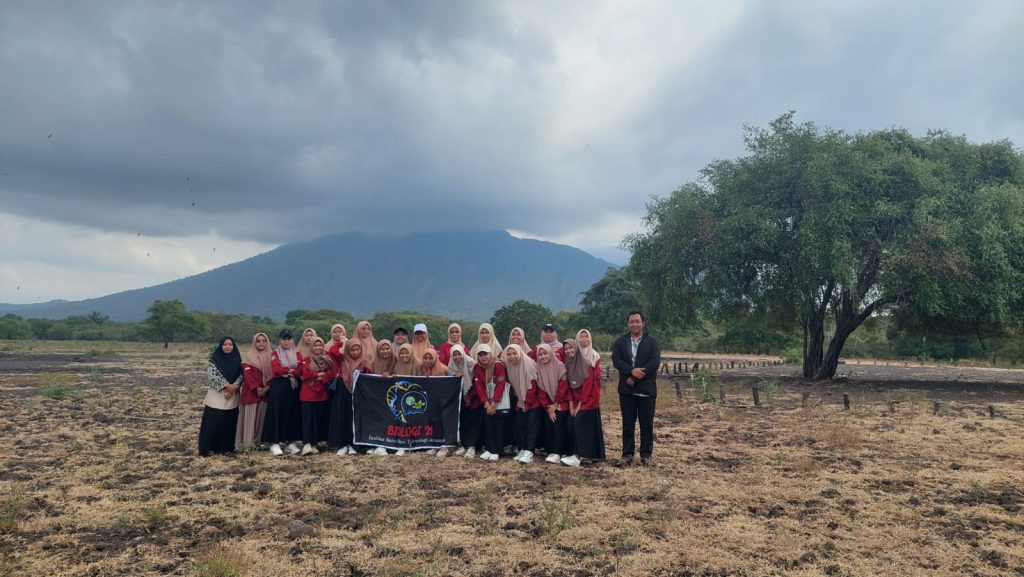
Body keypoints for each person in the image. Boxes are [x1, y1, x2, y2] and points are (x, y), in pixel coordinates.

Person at [611, 311, 661, 466]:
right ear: (628, 324)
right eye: (631, 321)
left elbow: (654, 363)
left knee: (647, 424)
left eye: (637, 321)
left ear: (643, 323)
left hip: (646, 390)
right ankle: (627, 455)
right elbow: (617, 361)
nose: (635, 324)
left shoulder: (652, 342)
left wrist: (637, 376)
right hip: (627, 391)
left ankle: (646, 455)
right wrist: (630, 372)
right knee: (628, 424)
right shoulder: (621, 342)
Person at [560, 334, 605, 467]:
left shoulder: (586, 363)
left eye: (571, 348)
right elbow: (569, 387)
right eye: (566, 349)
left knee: (579, 423)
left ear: (576, 348)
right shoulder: (567, 364)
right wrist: (571, 405)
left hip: (588, 400)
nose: (569, 351)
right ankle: (583, 453)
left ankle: (578, 456)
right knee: (570, 424)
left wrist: (579, 406)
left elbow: (587, 387)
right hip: (574, 400)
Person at [198, 336, 243, 456]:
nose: (228, 347)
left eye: (230, 344)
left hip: (232, 395)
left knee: (229, 422)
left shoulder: (238, 360)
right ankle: (209, 448)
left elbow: (241, 375)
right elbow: (212, 376)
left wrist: (233, 387)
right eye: (225, 344)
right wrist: (226, 386)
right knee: (214, 421)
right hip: (217, 395)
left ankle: (227, 448)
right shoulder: (214, 360)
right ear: (221, 346)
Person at [263, 330, 303, 456]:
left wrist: (290, 372)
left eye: (289, 338)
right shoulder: (275, 353)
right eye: (284, 339)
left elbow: (300, 369)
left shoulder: (297, 354)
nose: (286, 341)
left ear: (292, 340)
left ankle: (289, 442)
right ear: (279, 340)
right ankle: (274, 443)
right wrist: (290, 370)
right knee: (276, 412)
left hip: (292, 387)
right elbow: (276, 368)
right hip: (279, 386)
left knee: (291, 413)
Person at [331, 339, 370, 456]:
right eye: (352, 350)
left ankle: (354, 445)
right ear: (347, 351)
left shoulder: (364, 362)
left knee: (355, 419)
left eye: (357, 349)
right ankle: (343, 445)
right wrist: (341, 342)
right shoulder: (342, 361)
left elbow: (368, 376)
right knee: (343, 417)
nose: (355, 352)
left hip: (358, 393)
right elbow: (332, 352)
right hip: (344, 392)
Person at [503, 343, 541, 464]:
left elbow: (532, 386)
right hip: (520, 401)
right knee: (520, 425)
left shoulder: (528, 364)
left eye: (514, 353)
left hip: (533, 402)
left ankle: (530, 451)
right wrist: (522, 402)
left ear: (520, 353)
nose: (512, 356)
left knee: (532, 426)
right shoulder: (511, 366)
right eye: (509, 354)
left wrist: (527, 403)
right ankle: (523, 449)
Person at [535, 343, 571, 464]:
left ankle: (558, 452)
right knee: (549, 426)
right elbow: (541, 390)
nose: (543, 356)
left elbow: (563, 387)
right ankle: (551, 450)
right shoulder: (538, 368)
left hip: (562, 402)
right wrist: (548, 407)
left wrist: (555, 404)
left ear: (550, 353)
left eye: (545, 353)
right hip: (549, 404)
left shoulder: (560, 366)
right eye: (540, 354)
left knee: (559, 426)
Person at [298, 337, 335, 455]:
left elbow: (332, 372)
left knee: (320, 418)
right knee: (308, 419)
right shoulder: (306, 360)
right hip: (308, 393)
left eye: (320, 345)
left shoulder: (328, 360)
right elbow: (304, 373)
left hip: (322, 393)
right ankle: (307, 444)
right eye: (315, 345)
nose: (318, 348)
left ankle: (317, 443)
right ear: (311, 347)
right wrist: (319, 375)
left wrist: (319, 376)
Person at [472, 346, 509, 461]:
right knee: (488, 425)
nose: (483, 357)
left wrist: (494, 403)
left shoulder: (498, 365)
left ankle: (498, 451)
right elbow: (479, 386)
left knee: (498, 426)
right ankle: (490, 449)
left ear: (490, 354)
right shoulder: (477, 367)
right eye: (480, 355)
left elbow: (501, 383)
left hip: (497, 401)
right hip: (487, 401)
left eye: (485, 354)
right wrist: (486, 403)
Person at [236, 332, 272, 450]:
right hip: (251, 391)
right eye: (258, 341)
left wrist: (267, 388)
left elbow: (274, 374)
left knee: (261, 417)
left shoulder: (271, 356)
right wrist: (257, 388)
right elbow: (247, 375)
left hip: (266, 391)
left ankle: (258, 442)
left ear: (267, 342)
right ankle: (246, 443)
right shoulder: (249, 357)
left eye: (263, 340)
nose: (261, 343)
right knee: (249, 417)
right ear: (254, 342)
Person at [448, 344, 481, 457]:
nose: (457, 357)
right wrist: (455, 376)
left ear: (463, 353)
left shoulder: (472, 364)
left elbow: (478, 381)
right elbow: (450, 381)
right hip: (460, 398)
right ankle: (464, 445)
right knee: (463, 421)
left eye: (459, 354)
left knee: (473, 421)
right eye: (454, 355)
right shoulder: (451, 366)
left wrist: (470, 396)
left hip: (474, 397)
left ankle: (472, 446)